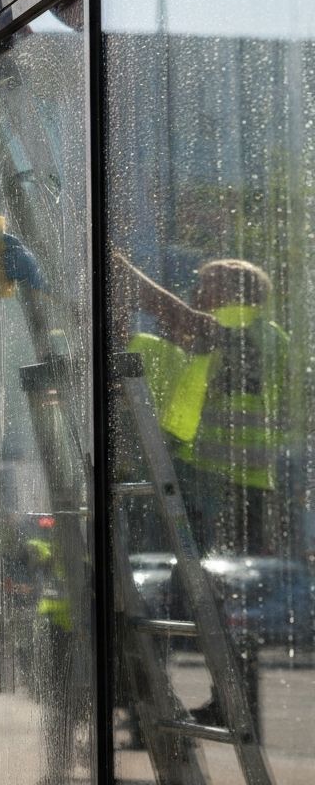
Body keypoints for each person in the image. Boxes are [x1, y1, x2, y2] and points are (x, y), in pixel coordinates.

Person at [112, 254, 292, 732]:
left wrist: (122, 270)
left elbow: (182, 323)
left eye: (205, 285)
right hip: (236, 484)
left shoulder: (238, 331)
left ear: (236, 293)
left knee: (203, 596)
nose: (196, 292)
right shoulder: (261, 338)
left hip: (222, 484)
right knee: (213, 599)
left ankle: (214, 702)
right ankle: (226, 700)